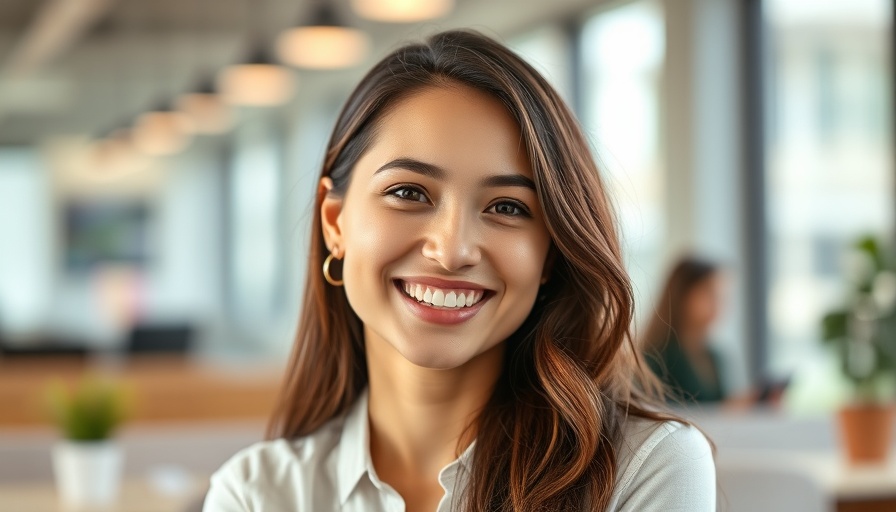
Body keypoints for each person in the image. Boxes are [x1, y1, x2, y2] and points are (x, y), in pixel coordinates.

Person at [204, 30, 715, 511]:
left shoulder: (646, 469)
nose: (451, 251)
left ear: (550, 255)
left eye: (508, 207)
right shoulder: (255, 494)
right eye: (408, 193)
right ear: (335, 222)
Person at [641, 257, 729, 403]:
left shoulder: (714, 356)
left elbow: (719, 407)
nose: (718, 304)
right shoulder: (659, 355)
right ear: (682, 295)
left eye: (722, 296)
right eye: (709, 294)